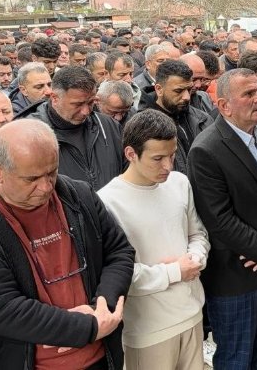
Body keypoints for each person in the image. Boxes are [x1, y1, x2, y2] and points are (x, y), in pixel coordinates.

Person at [0, 119, 134, 369]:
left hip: (102, 356)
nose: (46, 186)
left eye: (52, 172)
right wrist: (84, 328)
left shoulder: (79, 196)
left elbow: (119, 251)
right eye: (32, 178)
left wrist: (104, 305)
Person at [187, 68, 257, 369]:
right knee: (237, 357)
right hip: (235, 276)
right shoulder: (206, 150)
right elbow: (219, 219)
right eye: (248, 94)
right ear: (224, 106)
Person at [98, 109, 210, 370]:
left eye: (172, 156)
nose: (168, 166)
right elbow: (117, 275)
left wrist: (196, 256)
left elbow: (198, 234)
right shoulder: (107, 201)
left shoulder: (180, 183)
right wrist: (175, 271)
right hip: (149, 330)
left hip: (192, 314)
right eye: (158, 158)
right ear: (130, 154)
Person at [16, 66, 125, 190]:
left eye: (90, 103)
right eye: (77, 104)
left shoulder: (108, 126)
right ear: (55, 98)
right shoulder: (29, 135)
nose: (85, 111)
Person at [138, 59, 211, 174]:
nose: (186, 97)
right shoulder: (142, 127)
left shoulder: (203, 119)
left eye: (188, 89)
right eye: (178, 91)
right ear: (159, 89)